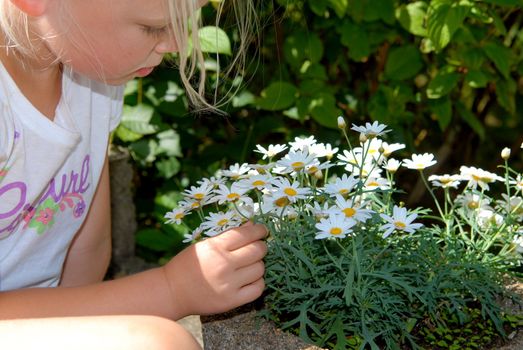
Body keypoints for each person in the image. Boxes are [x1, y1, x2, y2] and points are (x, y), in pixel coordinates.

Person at [0, 0, 267, 348]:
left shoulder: (92, 76)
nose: (178, 45)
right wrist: (170, 290)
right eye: (153, 27)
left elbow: (86, 253)